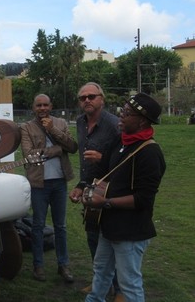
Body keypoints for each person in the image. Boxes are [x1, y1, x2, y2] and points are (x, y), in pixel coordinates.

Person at [84, 93, 166, 302]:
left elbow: (143, 199)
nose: (120, 116)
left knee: (129, 283)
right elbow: (104, 170)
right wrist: (83, 188)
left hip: (131, 231)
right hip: (109, 225)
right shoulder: (121, 141)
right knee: (101, 270)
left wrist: (106, 202)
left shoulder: (150, 153)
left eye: (127, 114)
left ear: (142, 121)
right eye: (122, 110)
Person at [68, 82, 122, 299]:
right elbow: (84, 162)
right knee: (92, 237)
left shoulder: (115, 124)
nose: (87, 100)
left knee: (111, 240)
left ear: (102, 98)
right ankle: (101, 283)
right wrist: (80, 186)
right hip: (90, 189)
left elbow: (123, 159)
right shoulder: (80, 122)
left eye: (91, 96)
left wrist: (103, 158)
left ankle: (120, 289)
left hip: (111, 188)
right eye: (82, 98)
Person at [20, 94, 78, 283]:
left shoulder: (60, 123)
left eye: (45, 104)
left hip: (59, 182)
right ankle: (38, 265)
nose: (42, 108)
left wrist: (53, 130)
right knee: (37, 225)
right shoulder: (27, 127)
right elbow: (29, 155)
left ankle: (63, 265)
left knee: (60, 226)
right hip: (39, 183)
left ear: (51, 106)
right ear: (33, 107)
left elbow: (72, 146)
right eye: (39, 105)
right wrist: (56, 150)